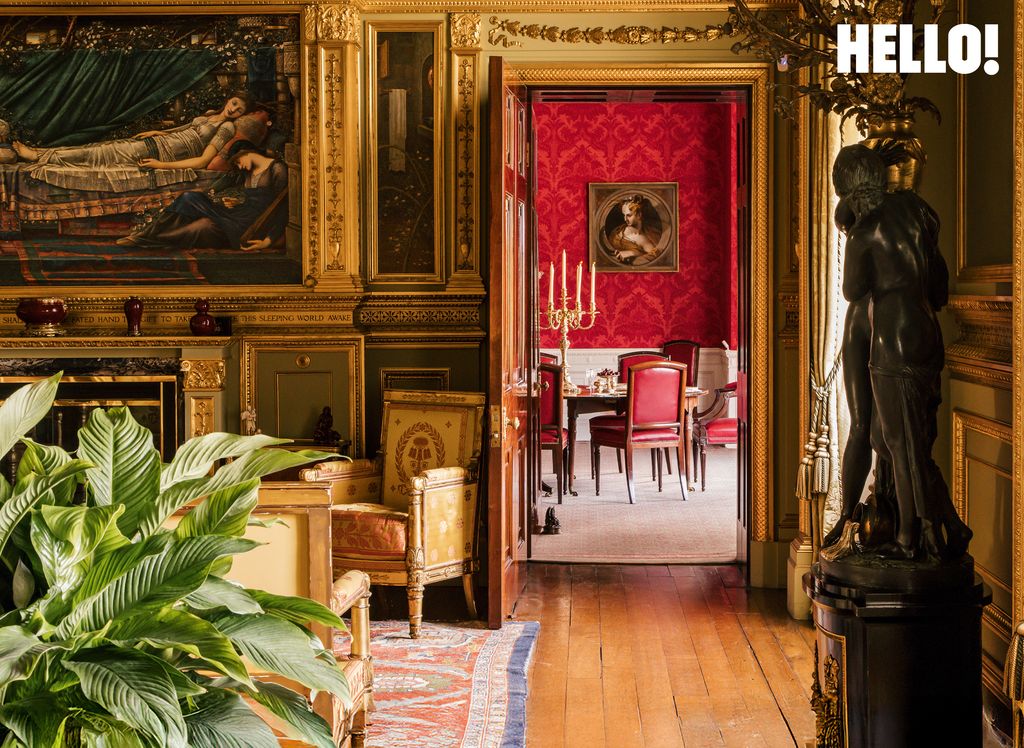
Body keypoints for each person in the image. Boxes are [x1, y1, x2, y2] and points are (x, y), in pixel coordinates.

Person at [834, 143, 970, 561]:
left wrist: (854, 234)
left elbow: (853, 291)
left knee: (898, 442)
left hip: (891, 336)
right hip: (927, 331)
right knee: (910, 438)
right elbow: (940, 284)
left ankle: (912, 538)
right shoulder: (917, 215)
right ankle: (947, 524)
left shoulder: (865, 229)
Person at [11, 94, 252, 192]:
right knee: (99, 149)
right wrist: (156, 131)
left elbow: (203, 161)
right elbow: (185, 130)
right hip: (156, 142)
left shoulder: (226, 128)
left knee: (98, 155)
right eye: (233, 103)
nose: (233, 109)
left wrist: (159, 165)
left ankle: (38, 157)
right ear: (228, 100)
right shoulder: (210, 115)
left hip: (162, 155)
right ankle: (41, 152)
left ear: (241, 115)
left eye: (239, 109)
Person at [116, 139, 286, 251]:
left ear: (246, 152)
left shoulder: (277, 169)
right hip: (237, 214)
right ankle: (145, 237)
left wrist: (268, 241)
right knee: (190, 197)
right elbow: (231, 183)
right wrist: (234, 201)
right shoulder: (247, 170)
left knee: (204, 225)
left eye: (237, 162)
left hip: (248, 224)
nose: (238, 167)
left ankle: (145, 239)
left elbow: (282, 208)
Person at [605, 195, 662, 265]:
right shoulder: (617, 233)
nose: (625, 219)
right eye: (624, 215)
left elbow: (656, 257)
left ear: (639, 215)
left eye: (629, 215)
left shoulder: (651, 235)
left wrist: (633, 253)